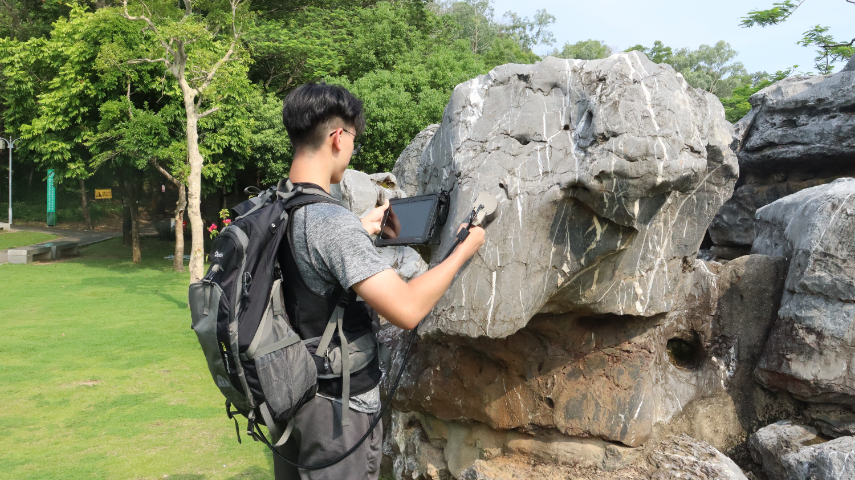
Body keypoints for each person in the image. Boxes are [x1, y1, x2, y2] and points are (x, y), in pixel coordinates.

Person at [274, 82, 485, 480]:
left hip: (290, 394)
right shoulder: (330, 223)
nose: (353, 147)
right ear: (338, 137)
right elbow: (406, 309)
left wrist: (359, 228)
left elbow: (306, 266)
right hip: (336, 410)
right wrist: (464, 248)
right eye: (353, 137)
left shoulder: (279, 203)